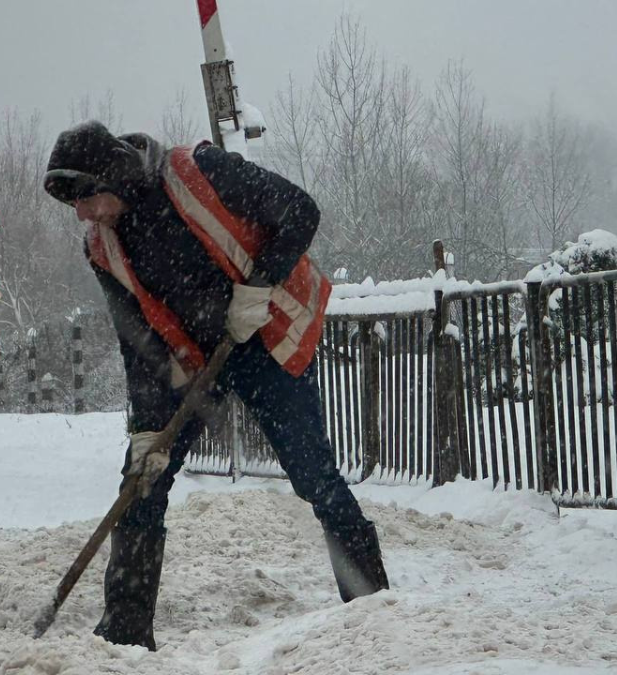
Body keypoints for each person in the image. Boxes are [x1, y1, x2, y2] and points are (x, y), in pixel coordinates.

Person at [42, 121, 388, 650]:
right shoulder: (102, 248)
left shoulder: (195, 170)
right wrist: (145, 430)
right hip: (195, 361)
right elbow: (137, 342)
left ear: (113, 175)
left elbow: (300, 210)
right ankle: (125, 634)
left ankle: (370, 604)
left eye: (86, 198)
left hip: (263, 336)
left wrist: (257, 286)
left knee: (312, 473)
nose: (82, 215)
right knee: (142, 483)